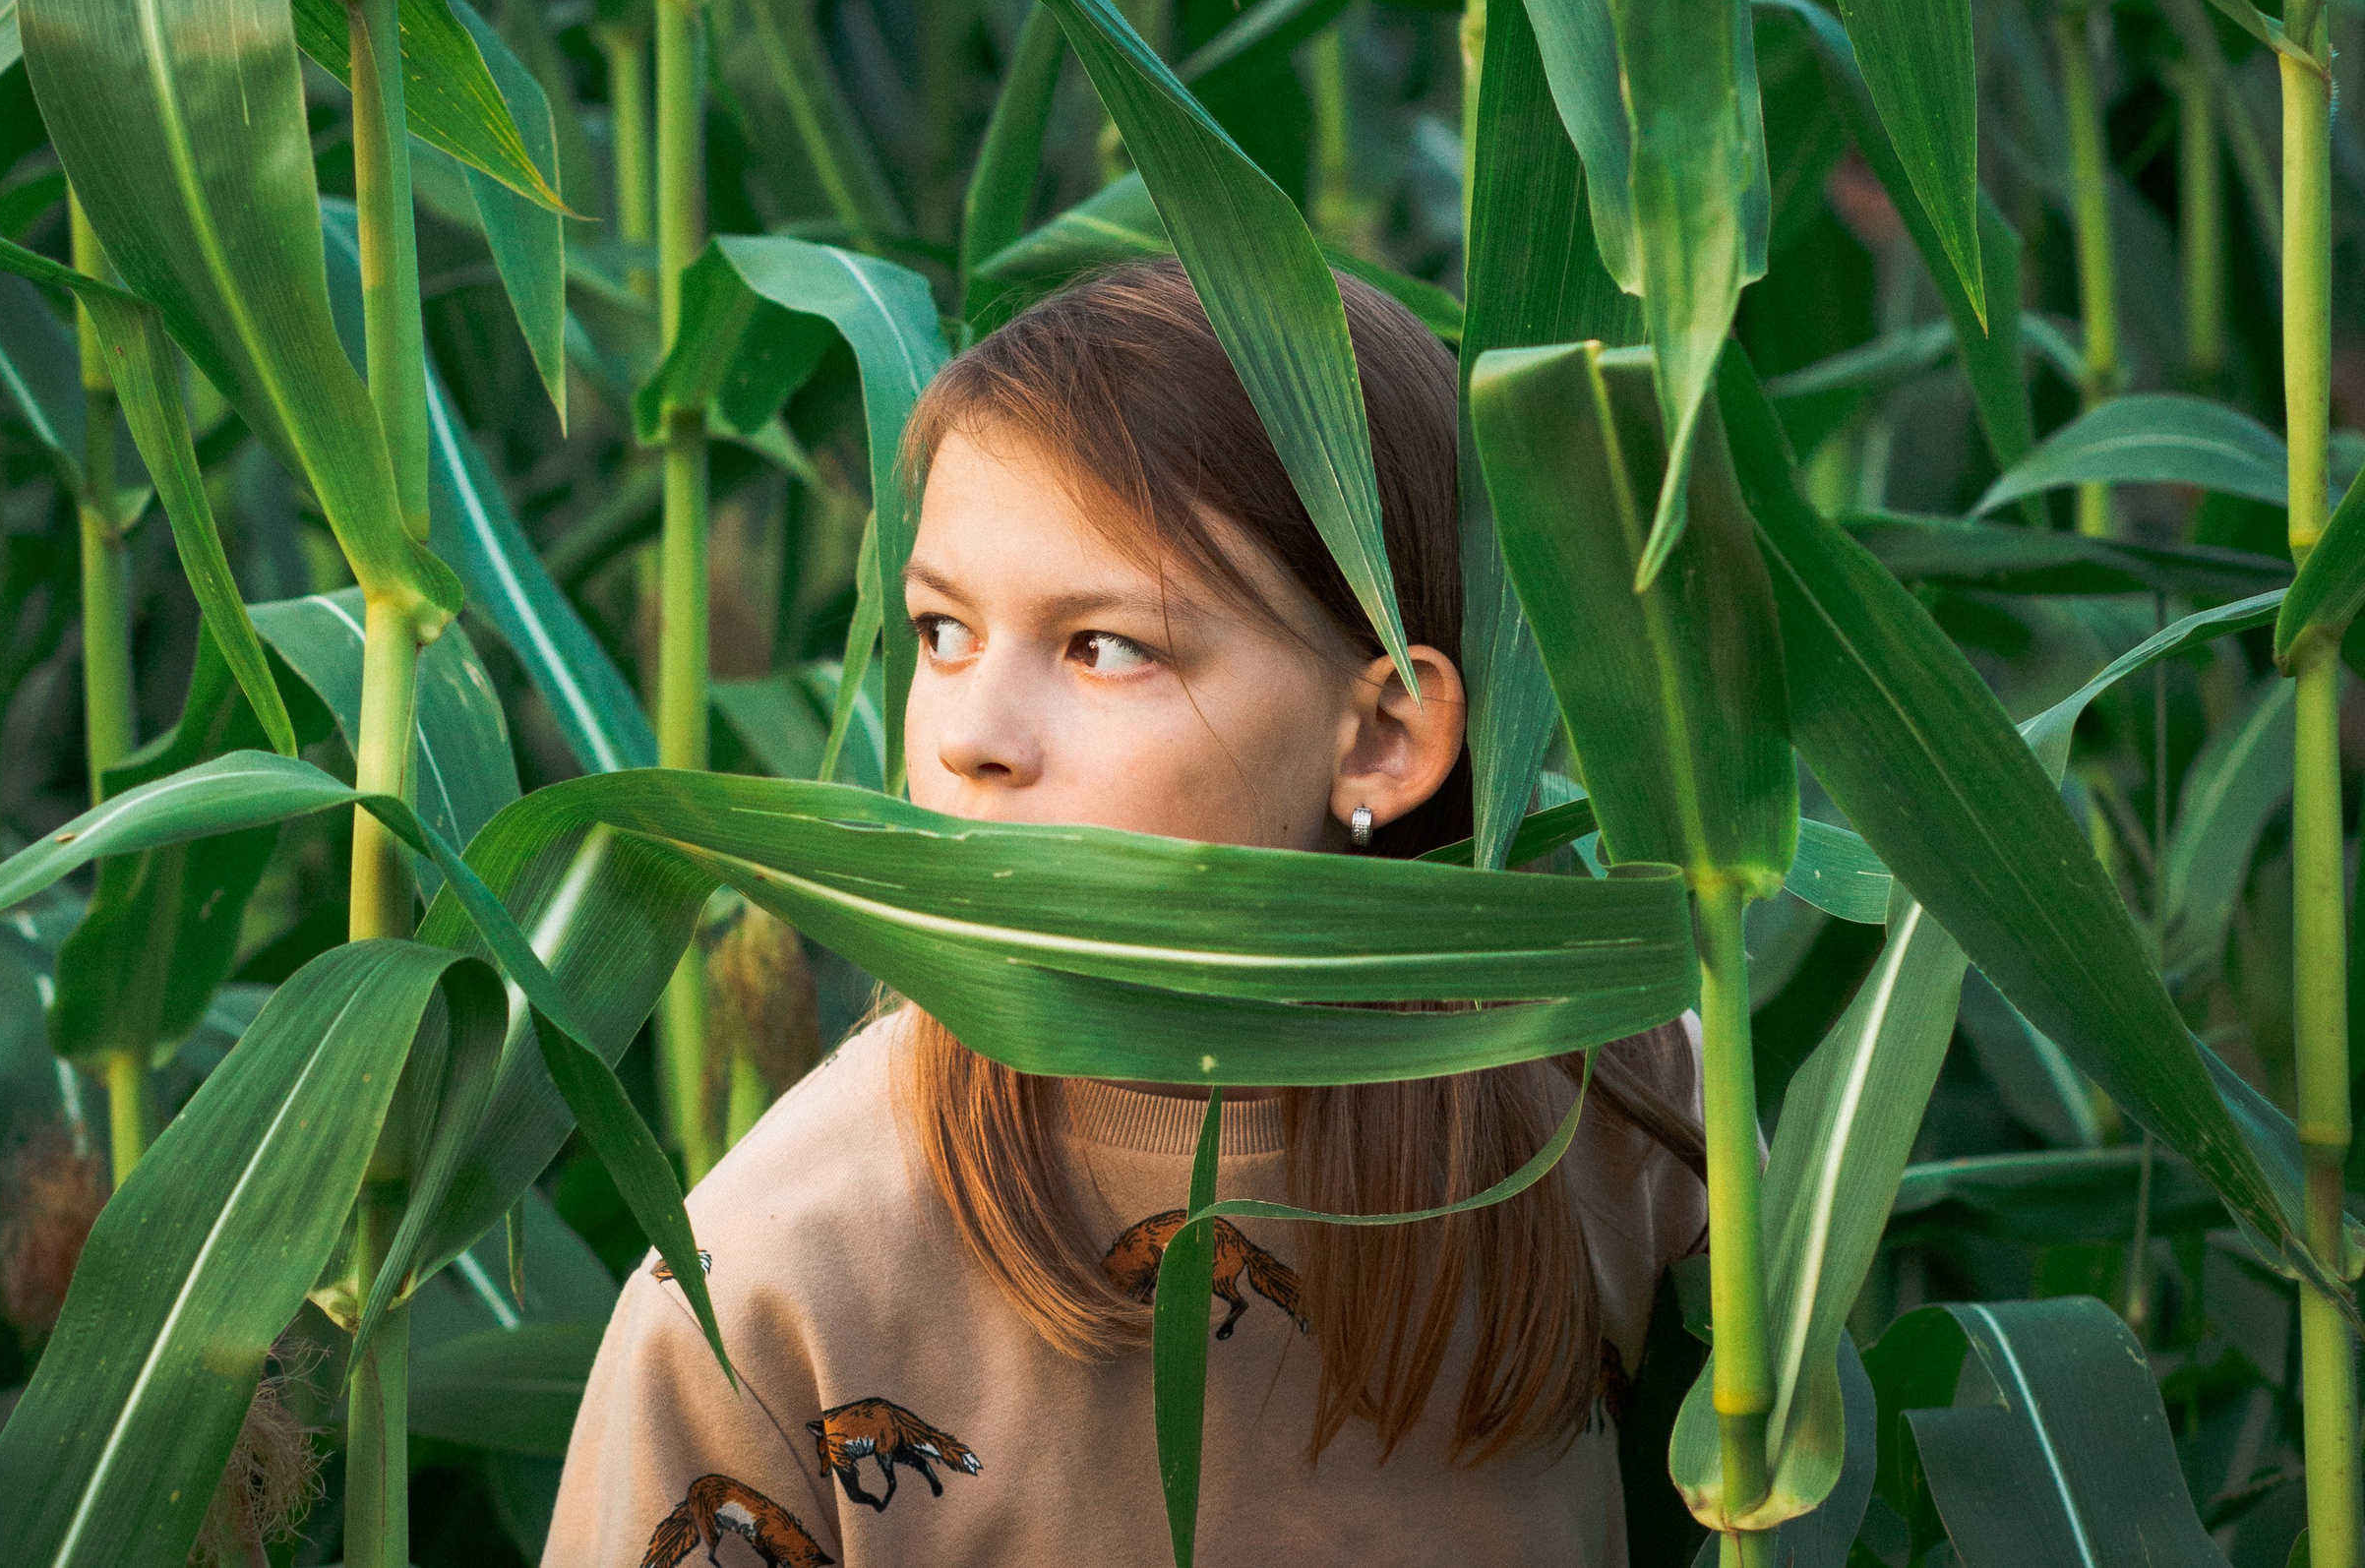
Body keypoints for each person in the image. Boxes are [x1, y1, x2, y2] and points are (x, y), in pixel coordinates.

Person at [541, 257, 1709, 1568]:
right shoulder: (768, 1276)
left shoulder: (1623, 1109)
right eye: (939, 633)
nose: (969, 736)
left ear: (1383, 737)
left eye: (1105, 647)